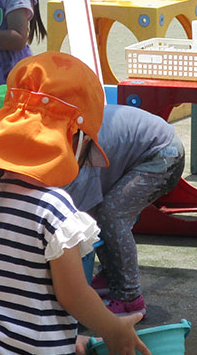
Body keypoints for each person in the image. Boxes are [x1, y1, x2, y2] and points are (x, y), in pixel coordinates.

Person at [0, 52, 150, 355]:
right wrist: (113, 328)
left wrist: (71, 343)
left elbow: (16, 291)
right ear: (73, 139)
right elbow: (73, 295)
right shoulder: (56, 210)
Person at [64, 104, 185, 318]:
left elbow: (76, 213)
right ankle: (111, 276)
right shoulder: (75, 136)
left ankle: (130, 298)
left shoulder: (83, 144)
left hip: (163, 155)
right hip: (147, 151)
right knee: (96, 213)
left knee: (112, 214)